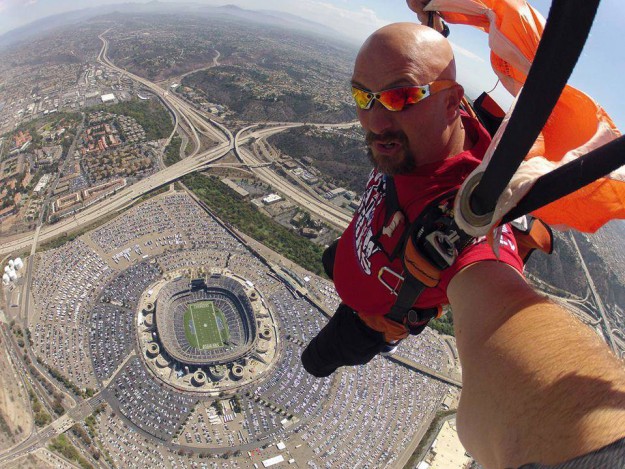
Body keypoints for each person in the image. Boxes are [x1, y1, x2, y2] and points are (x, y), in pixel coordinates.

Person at [300, 14, 625, 469]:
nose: (375, 119)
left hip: (368, 321)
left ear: (452, 104)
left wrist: (601, 454)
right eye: (363, 95)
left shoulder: (467, 220)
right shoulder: (432, 129)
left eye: (399, 95)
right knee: (328, 258)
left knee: (315, 361)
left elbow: (505, 312)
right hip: (356, 255)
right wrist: (434, 18)